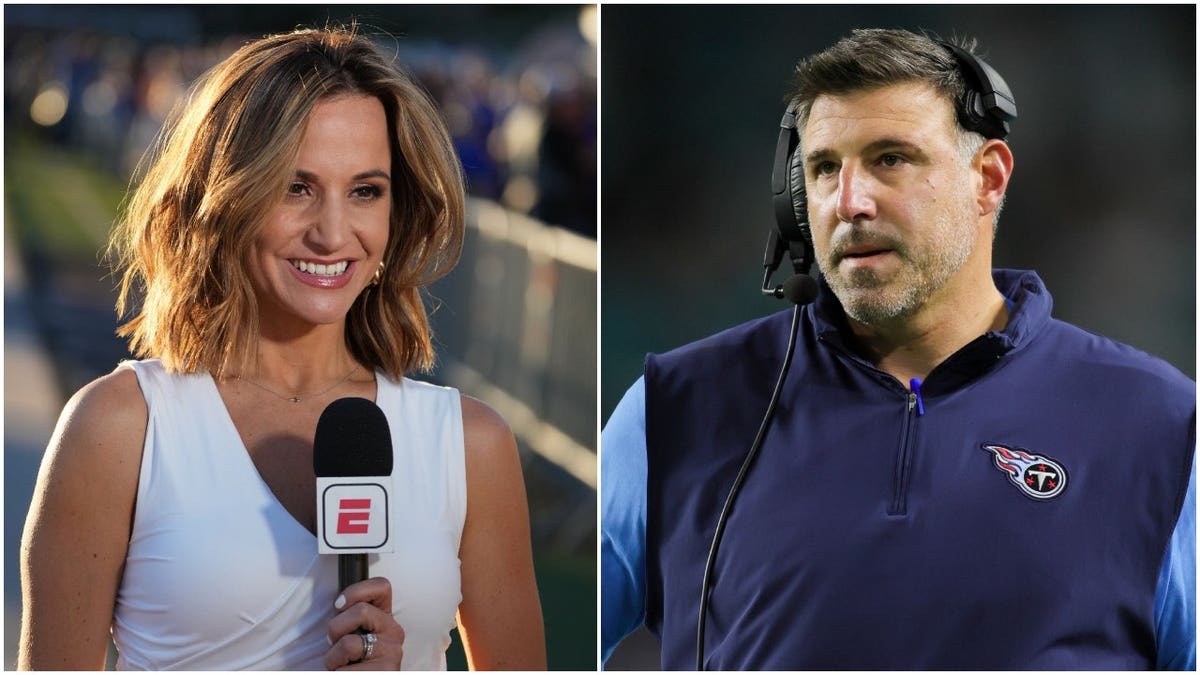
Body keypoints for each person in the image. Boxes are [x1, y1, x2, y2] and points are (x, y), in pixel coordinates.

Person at [601, 28, 1194, 670]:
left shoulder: (1160, 422)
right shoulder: (673, 406)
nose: (849, 202)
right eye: (824, 168)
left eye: (891, 159)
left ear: (987, 179)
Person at [19, 26, 546, 671]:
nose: (332, 233)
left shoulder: (470, 445)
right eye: (296, 187)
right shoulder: (118, 429)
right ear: (226, 198)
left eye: (365, 191)